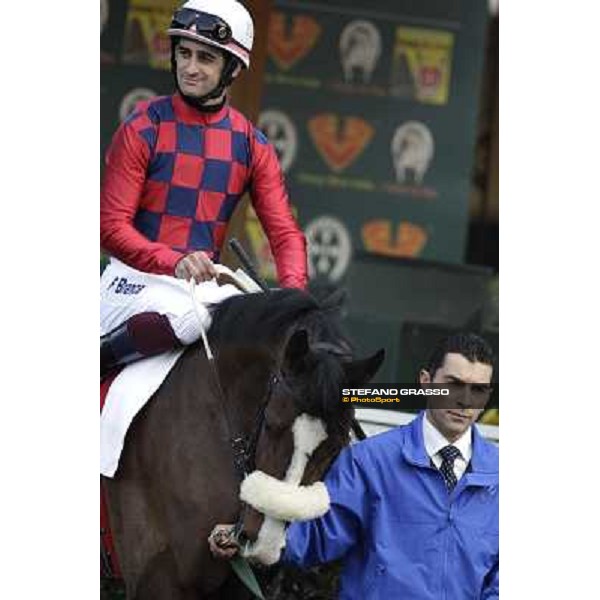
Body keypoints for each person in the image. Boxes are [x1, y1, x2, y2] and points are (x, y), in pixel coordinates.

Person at [100, 0, 307, 378]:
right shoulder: (143, 126)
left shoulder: (251, 144)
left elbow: (285, 234)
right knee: (197, 318)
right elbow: (110, 227)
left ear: (231, 68)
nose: (190, 68)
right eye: (184, 53)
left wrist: (293, 297)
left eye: (205, 59)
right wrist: (173, 261)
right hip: (130, 281)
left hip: (199, 290)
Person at [209, 332, 499, 599]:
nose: (464, 400)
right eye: (453, 384)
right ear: (425, 381)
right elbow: (317, 534)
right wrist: (248, 538)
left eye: (478, 390)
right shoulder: (370, 460)